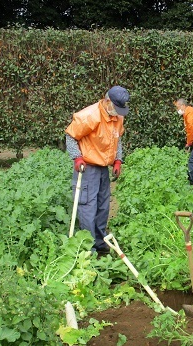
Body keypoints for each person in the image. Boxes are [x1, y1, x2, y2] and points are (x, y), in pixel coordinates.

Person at [65, 85, 130, 253]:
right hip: (87, 169)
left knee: (102, 207)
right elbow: (71, 136)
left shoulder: (117, 117)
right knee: (88, 207)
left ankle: (101, 243)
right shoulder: (89, 116)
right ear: (107, 102)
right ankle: (88, 248)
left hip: (103, 169)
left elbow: (118, 139)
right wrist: (77, 157)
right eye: (116, 108)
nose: (118, 113)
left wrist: (117, 160)